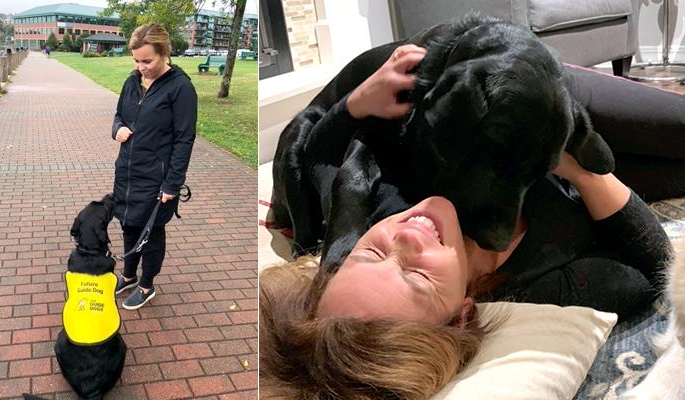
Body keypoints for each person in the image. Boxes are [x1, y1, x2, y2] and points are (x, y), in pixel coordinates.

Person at [259, 43, 672, 399]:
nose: (407, 235)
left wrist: (358, 103)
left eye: (373, 251)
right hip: (580, 155)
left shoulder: (368, 207)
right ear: (461, 314)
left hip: (530, 87)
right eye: (416, 275)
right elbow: (653, 264)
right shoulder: (535, 284)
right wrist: (581, 171)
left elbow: (314, 158)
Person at [110, 23, 197, 310]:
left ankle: (147, 285)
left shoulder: (181, 88)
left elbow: (185, 139)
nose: (141, 67)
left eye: (147, 60)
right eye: (136, 60)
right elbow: (118, 115)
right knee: (128, 225)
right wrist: (118, 128)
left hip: (156, 178)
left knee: (151, 233)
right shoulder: (131, 82)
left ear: (164, 53)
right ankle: (128, 275)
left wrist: (172, 184)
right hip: (127, 171)